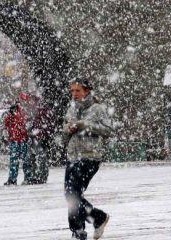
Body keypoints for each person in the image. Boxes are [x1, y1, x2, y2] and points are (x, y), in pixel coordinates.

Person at [63, 78, 113, 240]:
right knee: (71, 195)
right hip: (73, 156)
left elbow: (108, 130)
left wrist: (85, 125)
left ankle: (78, 229)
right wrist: (68, 129)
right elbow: (65, 133)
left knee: (73, 194)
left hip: (90, 157)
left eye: (77, 90)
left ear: (86, 91)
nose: (74, 94)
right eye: (72, 91)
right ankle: (97, 218)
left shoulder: (97, 109)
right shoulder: (71, 109)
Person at [3, 102, 31, 185]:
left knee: (15, 161)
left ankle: (13, 179)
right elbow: (7, 125)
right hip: (20, 141)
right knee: (23, 161)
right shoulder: (20, 116)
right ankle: (25, 178)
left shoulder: (16, 116)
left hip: (17, 141)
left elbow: (6, 126)